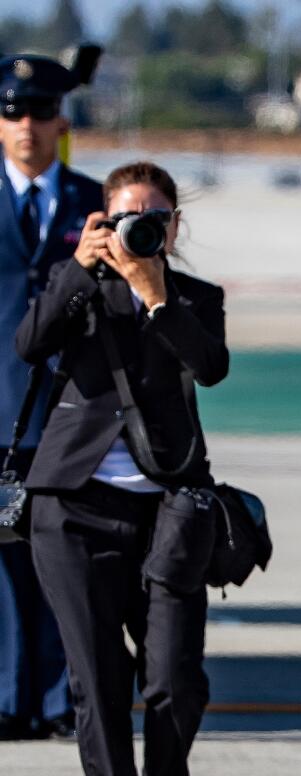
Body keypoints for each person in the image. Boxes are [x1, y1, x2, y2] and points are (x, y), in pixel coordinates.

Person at [15, 161, 228, 776]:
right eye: (125, 217)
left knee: (174, 678)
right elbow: (30, 344)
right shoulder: (77, 285)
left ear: (175, 226)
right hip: (74, 507)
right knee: (98, 681)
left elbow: (210, 368)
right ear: (101, 221)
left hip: (169, 509)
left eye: (154, 219)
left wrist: (157, 297)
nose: (140, 229)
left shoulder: (197, 299)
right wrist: (81, 266)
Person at [0, 53, 102, 742]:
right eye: (14, 112)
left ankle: (63, 701)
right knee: (3, 568)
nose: (27, 126)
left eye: (40, 112)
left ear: (61, 120)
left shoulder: (95, 201)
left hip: (72, 413)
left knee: (67, 566)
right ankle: (9, 701)